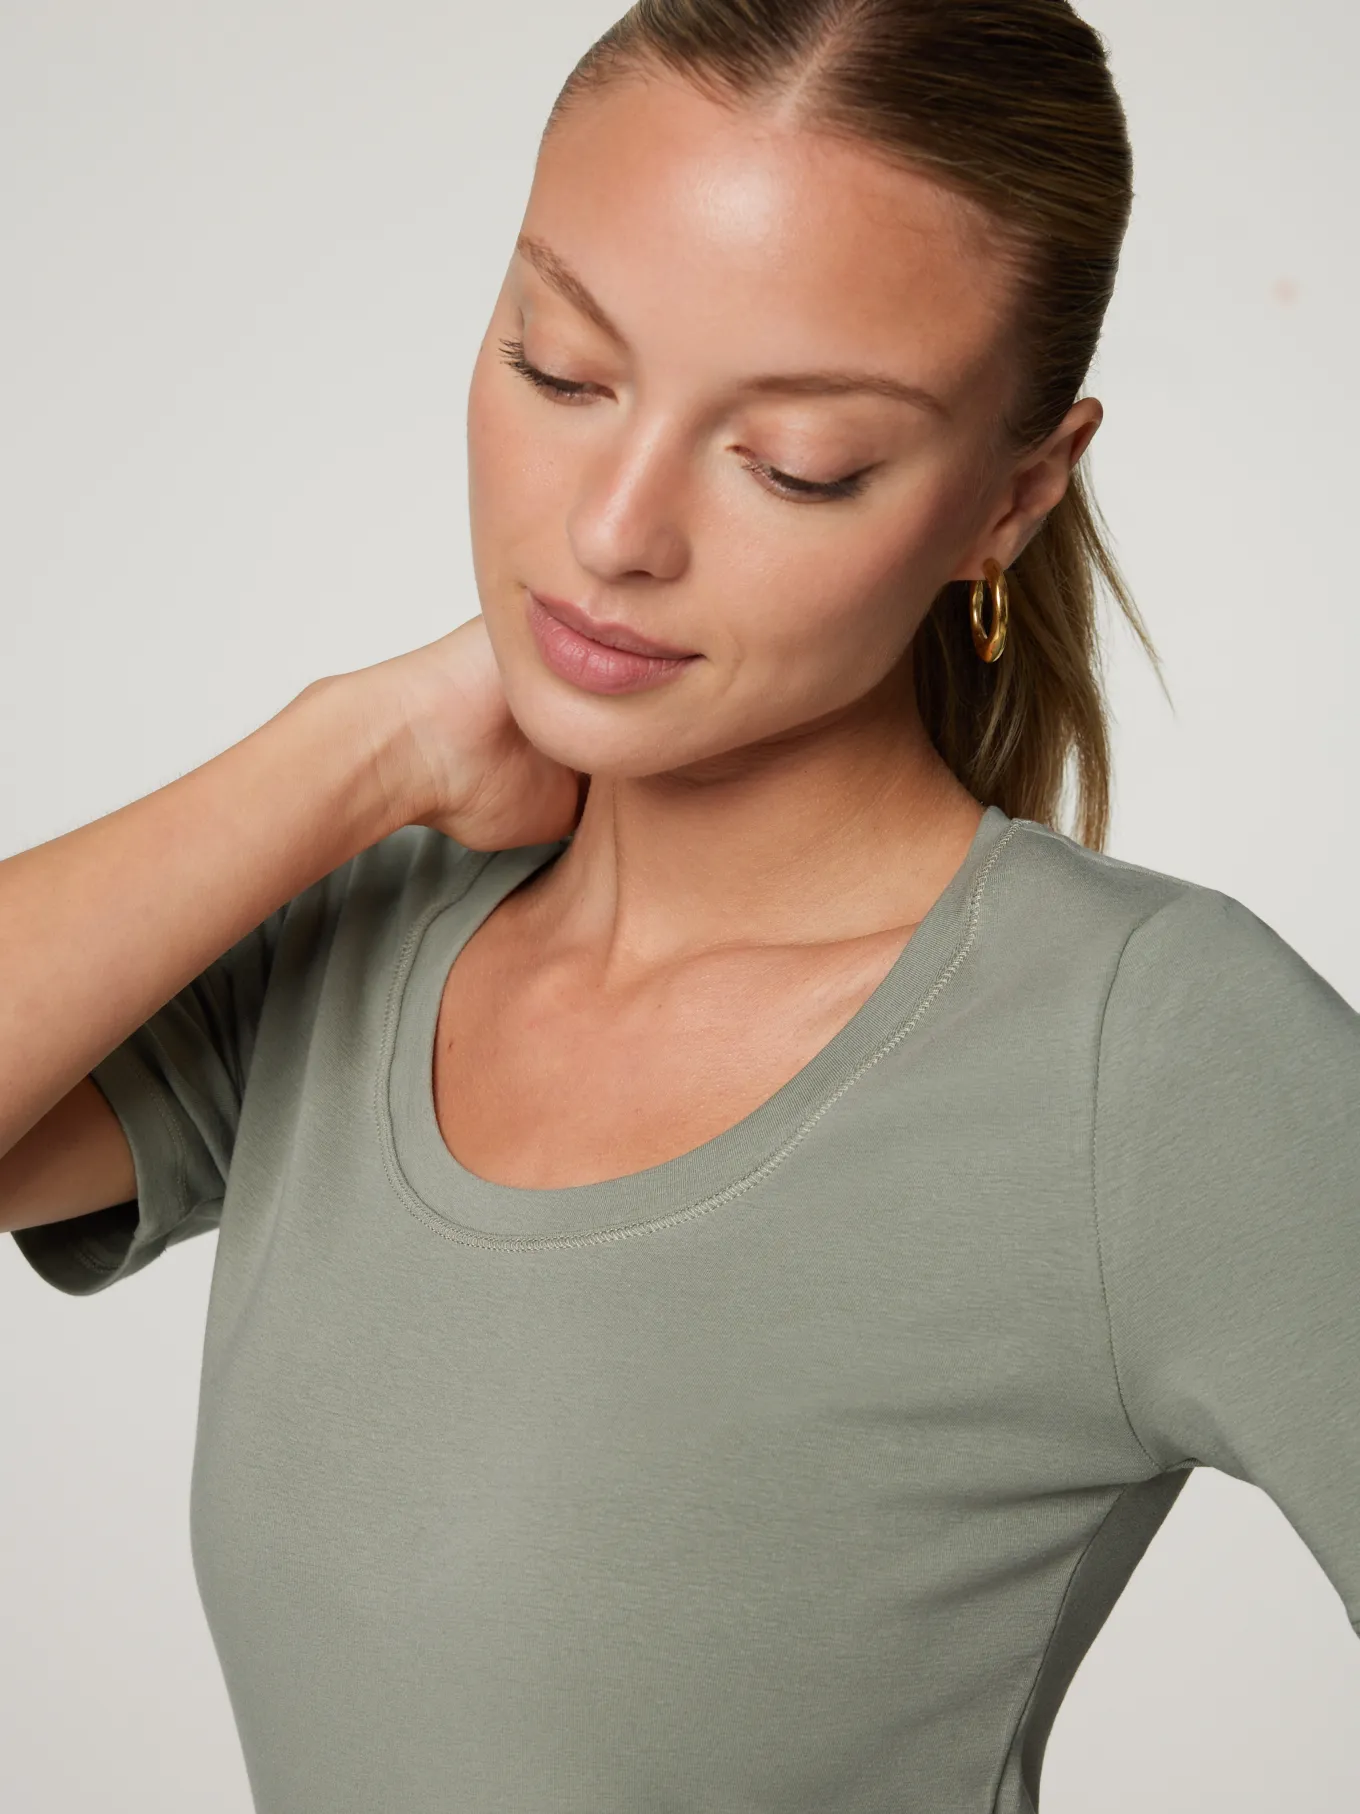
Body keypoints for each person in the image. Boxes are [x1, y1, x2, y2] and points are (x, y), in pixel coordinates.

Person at [1, 0, 1356, 1808]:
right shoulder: (363, 931)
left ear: (1012, 499)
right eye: (560, 368)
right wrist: (354, 750)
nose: (615, 530)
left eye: (795, 461)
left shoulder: (1146, 1053)